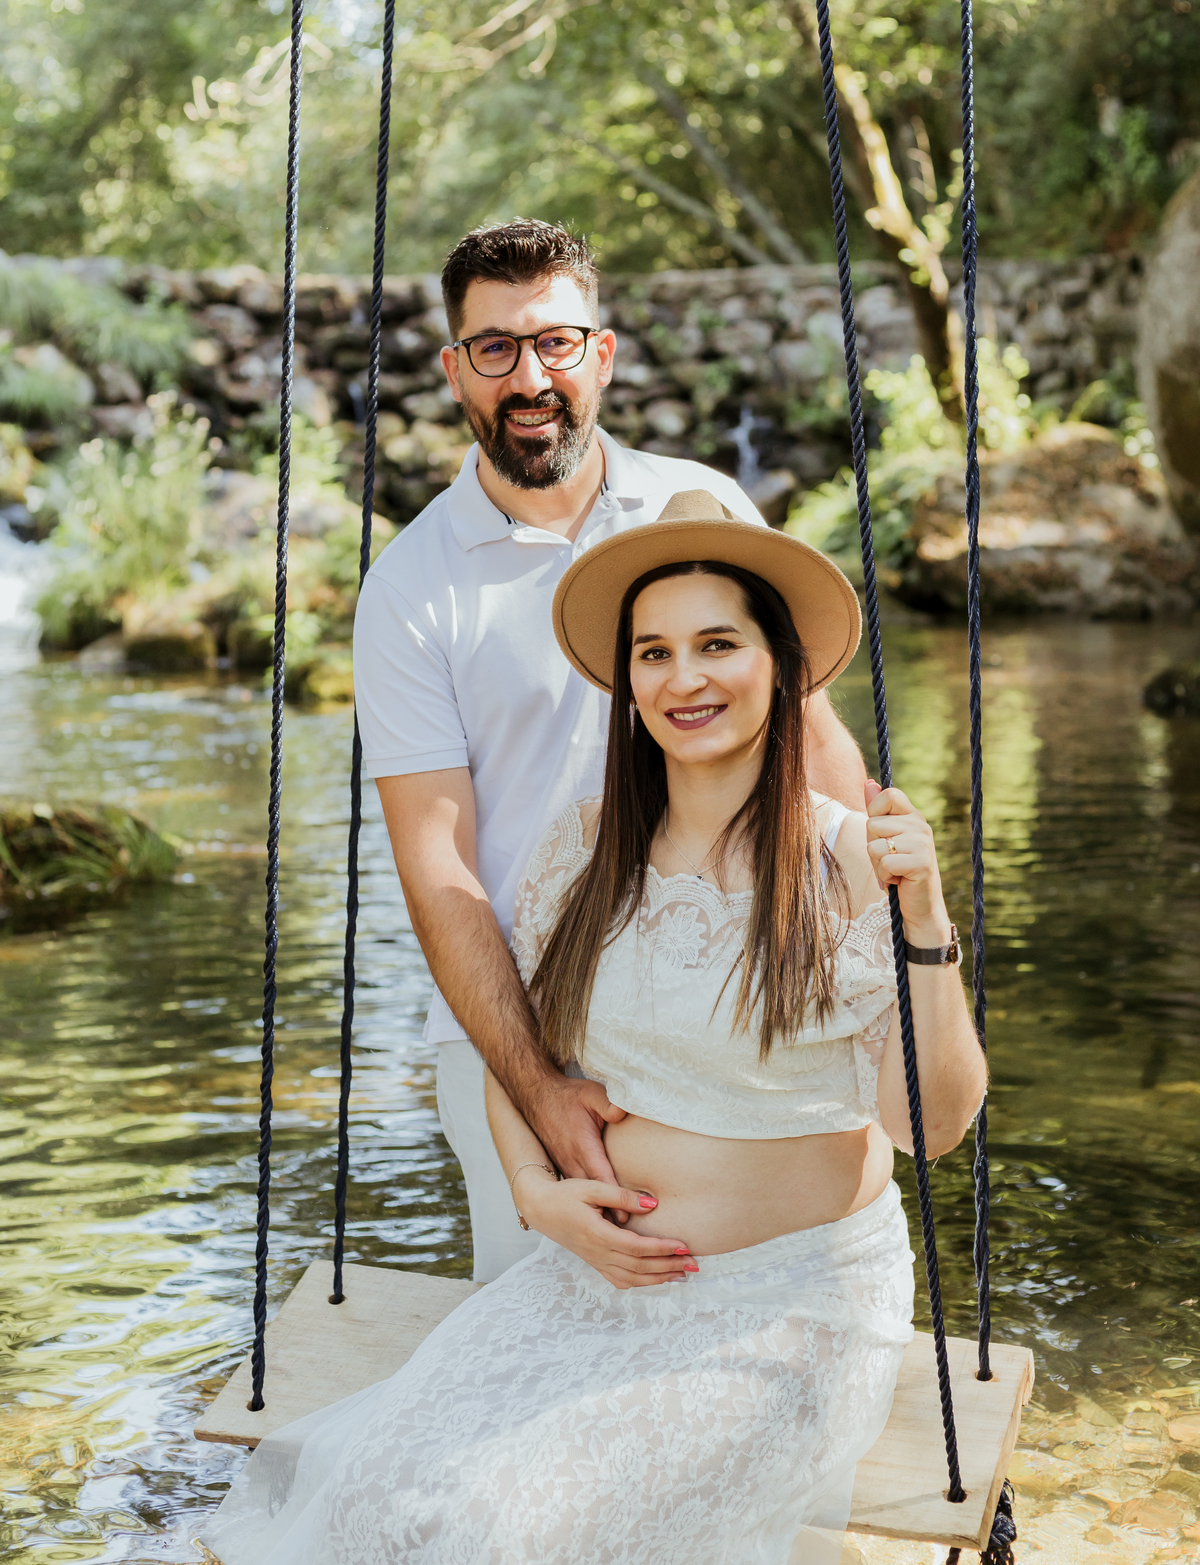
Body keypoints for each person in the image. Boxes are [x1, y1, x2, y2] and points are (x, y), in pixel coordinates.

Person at [201, 490, 987, 1565]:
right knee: (390, 1498)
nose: (685, 679)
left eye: (719, 644)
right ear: (628, 681)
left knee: (502, 1532)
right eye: (654, 653)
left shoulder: (850, 862)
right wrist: (535, 1192)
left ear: (782, 665)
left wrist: (928, 921)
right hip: (588, 1284)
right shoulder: (588, 850)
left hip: (787, 1308)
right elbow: (525, 1045)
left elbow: (930, 1128)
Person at [352, 218, 870, 1281]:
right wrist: (539, 1085)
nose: (529, 376)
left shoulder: (703, 506)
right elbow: (437, 867)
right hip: (523, 1033)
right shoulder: (409, 589)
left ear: (602, 353)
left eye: (554, 342)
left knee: (776, 1293)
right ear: (455, 372)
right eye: (495, 348)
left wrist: (880, 949)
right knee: (544, 1320)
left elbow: (815, 753)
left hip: (736, 995)